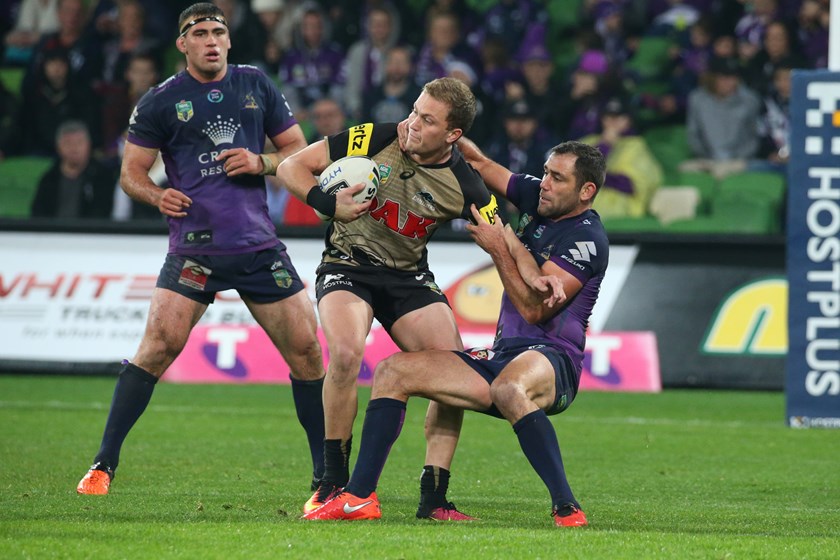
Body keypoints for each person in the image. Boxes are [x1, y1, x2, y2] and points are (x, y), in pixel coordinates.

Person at [76, 2, 326, 496]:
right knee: (157, 348)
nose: (211, 40)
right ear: (182, 44)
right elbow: (131, 174)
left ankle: (326, 476)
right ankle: (103, 465)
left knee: (308, 354)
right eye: (200, 33)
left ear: (229, 41)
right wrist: (156, 193)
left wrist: (262, 161)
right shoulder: (159, 101)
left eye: (219, 31)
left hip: (258, 247)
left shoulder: (256, 84)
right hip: (194, 251)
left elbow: (301, 154)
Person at [303, 138, 608, 529]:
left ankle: (567, 508)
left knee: (508, 388)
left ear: (586, 191)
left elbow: (534, 309)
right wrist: (444, 133)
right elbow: (478, 163)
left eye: (557, 178)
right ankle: (360, 497)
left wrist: (499, 248)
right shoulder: (540, 196)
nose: (544, 183)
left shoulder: (586, 240)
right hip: (504, 356)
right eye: (546, 172)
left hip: (552, 359)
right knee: (392, 371)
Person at [276, 76, 499, 517]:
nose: (411, 123)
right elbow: (290, 167)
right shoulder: (373, 136)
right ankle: (332, 483)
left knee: (451, 367)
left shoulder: (465, 184)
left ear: (453, 135)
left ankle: (434, 497)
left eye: (426, 119)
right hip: (347, 265)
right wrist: (328, 203)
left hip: (407, 279)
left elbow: (501, 241)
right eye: (414, 110)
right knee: (343, 353)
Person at [580, 97, 663, 219]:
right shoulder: (588, 141)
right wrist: (604, 146)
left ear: (628, 121)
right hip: (584, 210)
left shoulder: (636, 145)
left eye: (619, 117)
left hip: (620, 212)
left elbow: (631, 185)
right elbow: (574, 174)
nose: (613, 122)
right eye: (609, 117)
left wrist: (593, 176)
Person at [30, 120, 116, 218]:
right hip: (53, 232)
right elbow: (38, 214)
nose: (74, 148)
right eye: (68, 143)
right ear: (58, 147)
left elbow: (102, 214)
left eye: (79, 142)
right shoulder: (49, 178)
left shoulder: (102, 176)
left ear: (89, 145)